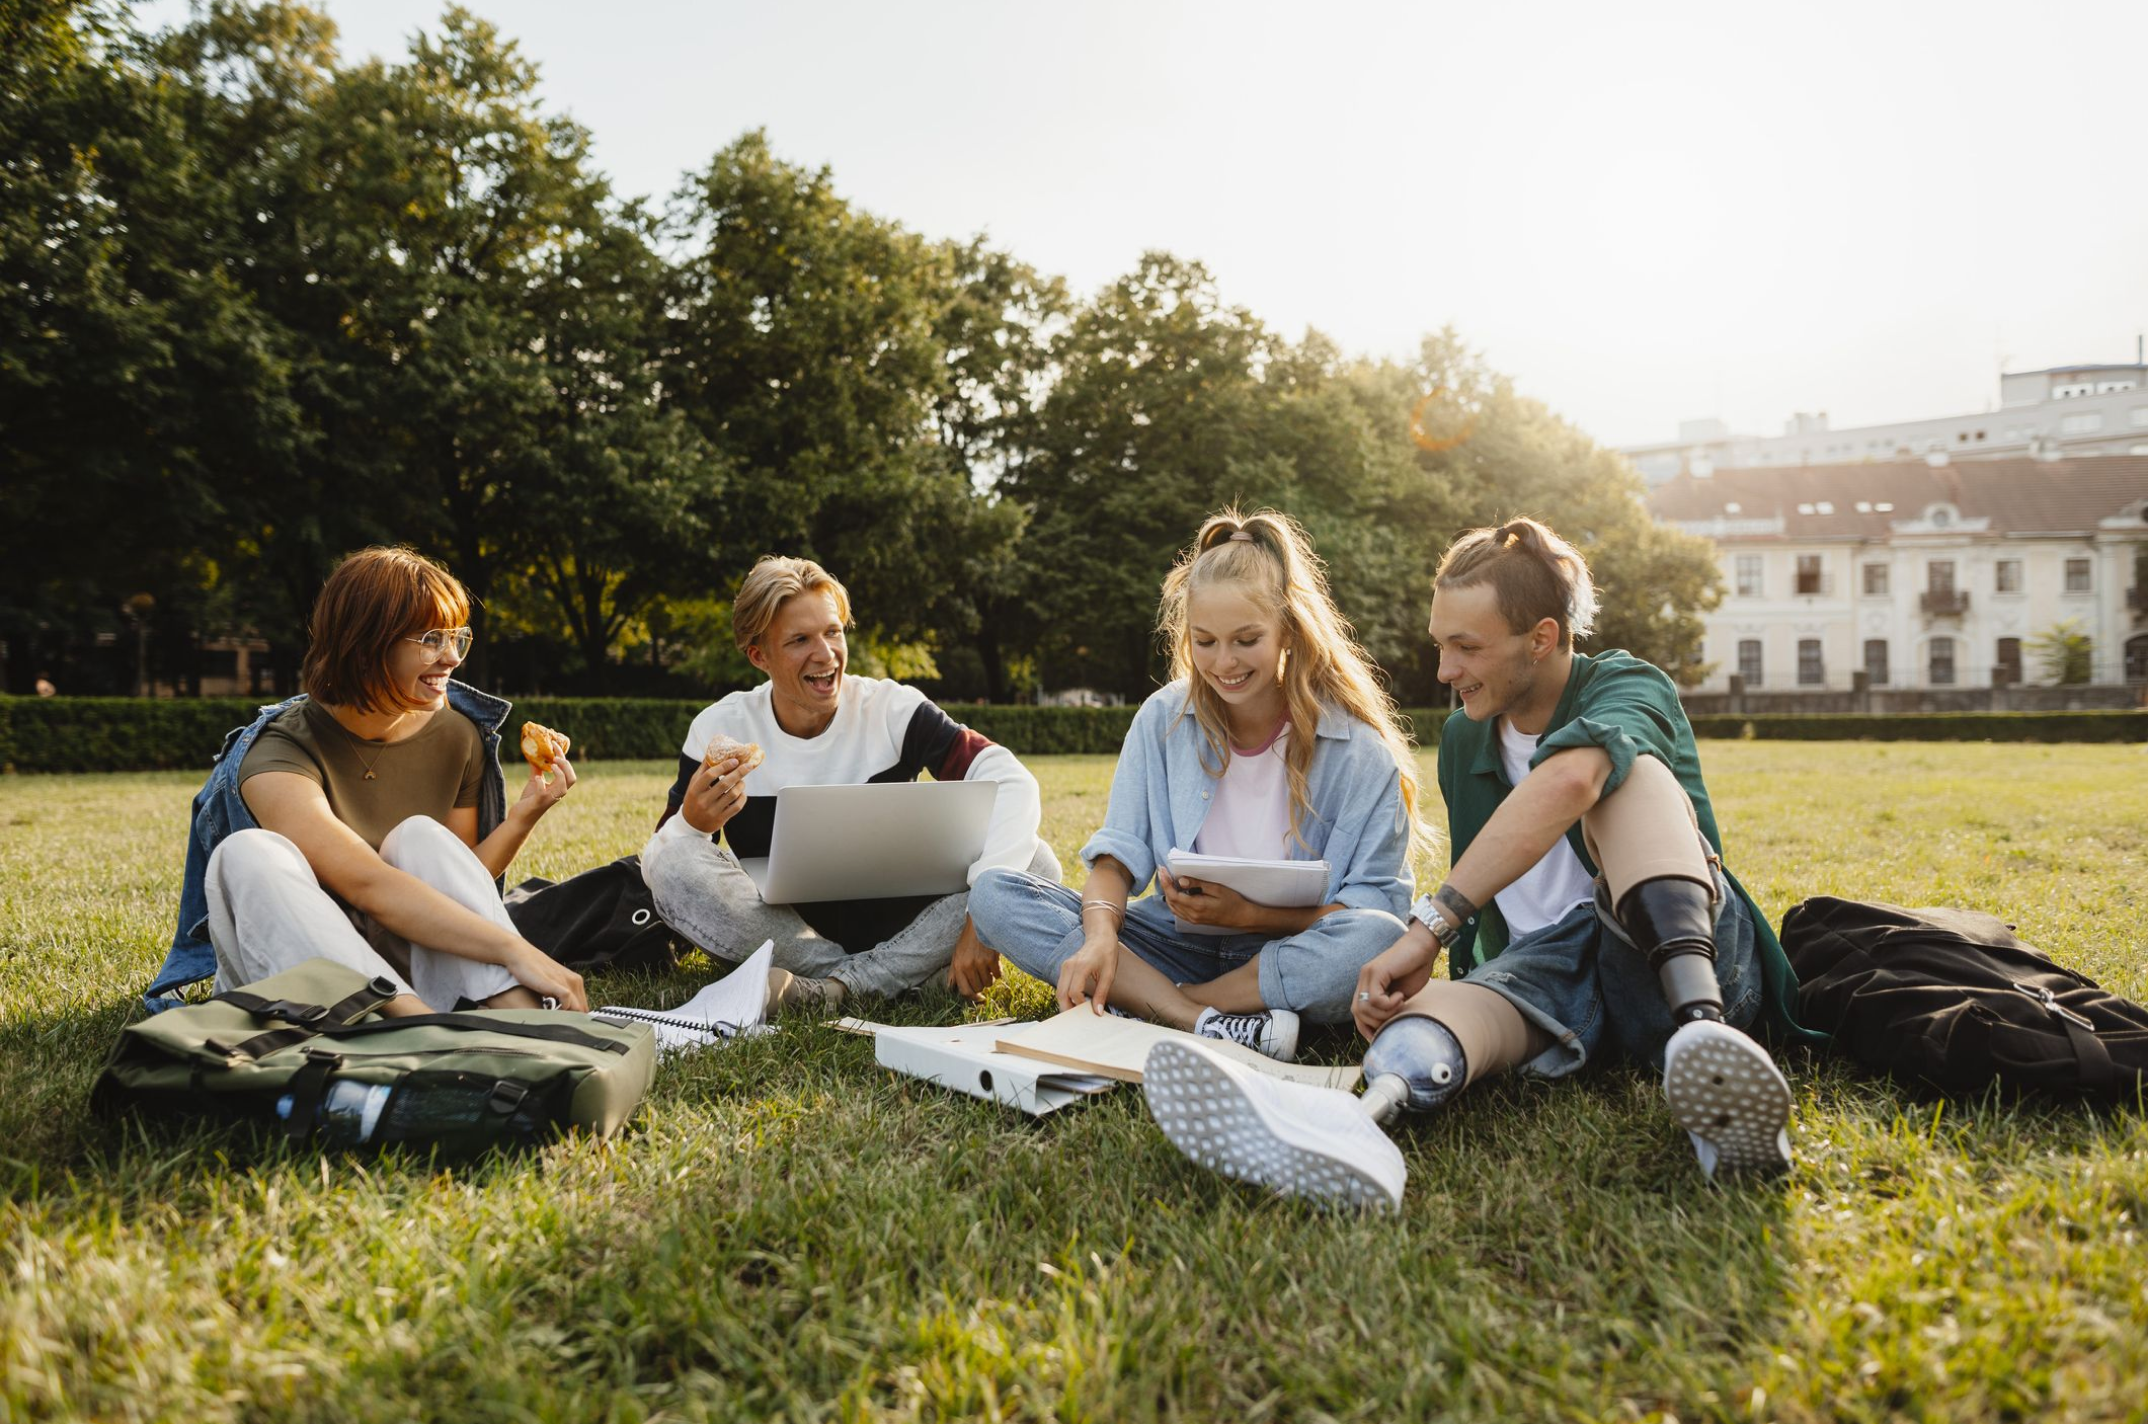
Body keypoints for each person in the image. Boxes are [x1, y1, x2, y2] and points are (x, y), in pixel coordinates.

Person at [1142, 518, 1822, 1207]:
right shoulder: (1466, 739)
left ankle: (1704, 1040)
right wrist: (1420, 979)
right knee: (1423, 1016)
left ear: (1542, 639)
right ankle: (1354, 1118)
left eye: (1465, 648)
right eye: (1440, 646)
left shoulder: (1627, 685)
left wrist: (1426, 927)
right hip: (1548, 982)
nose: (1443, 671)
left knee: (1630, 773)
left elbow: (1570, 784)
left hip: (1673, 961)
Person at [967, 508, 1432, 1061]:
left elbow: (1371, 907)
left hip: (1291, 954)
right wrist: (1098, 939)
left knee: (1380, 937)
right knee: (995, 893)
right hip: (1170, 943)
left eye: (1246, 639)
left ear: (1289, 629)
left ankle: (1161, 1007)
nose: (1223, 662)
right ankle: (1204, 1022)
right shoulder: (1162, 719)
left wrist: (1249, 917)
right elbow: (1117, 858)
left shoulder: (1358, 752)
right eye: (1205, 641)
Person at [145, 547, 588, 1016]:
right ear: (365, 645)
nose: (452, 657)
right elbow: (366, 883)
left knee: (420, 836)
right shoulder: (275, 753)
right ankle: (414, 1025)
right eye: (431, 638)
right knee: (246, 854)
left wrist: (524, 815)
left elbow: (461, 879)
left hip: (408, 956)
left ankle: (511, 1009)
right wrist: (516, 949)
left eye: (458, 637)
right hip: (303, 975)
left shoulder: (459, 735)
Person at [641, 555, 1059, 1012]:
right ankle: (899, 979)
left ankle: (837, 992)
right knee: (673, 862)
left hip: (905, 923)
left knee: (1037, 863)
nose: (825, 654)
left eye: (833, 631)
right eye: (800, 640)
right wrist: (693, 824)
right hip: (791, 937)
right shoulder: (719, 728)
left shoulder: (891, 709)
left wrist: (982, 914)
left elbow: (1009, 778)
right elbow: (666, 862)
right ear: (759, 655)